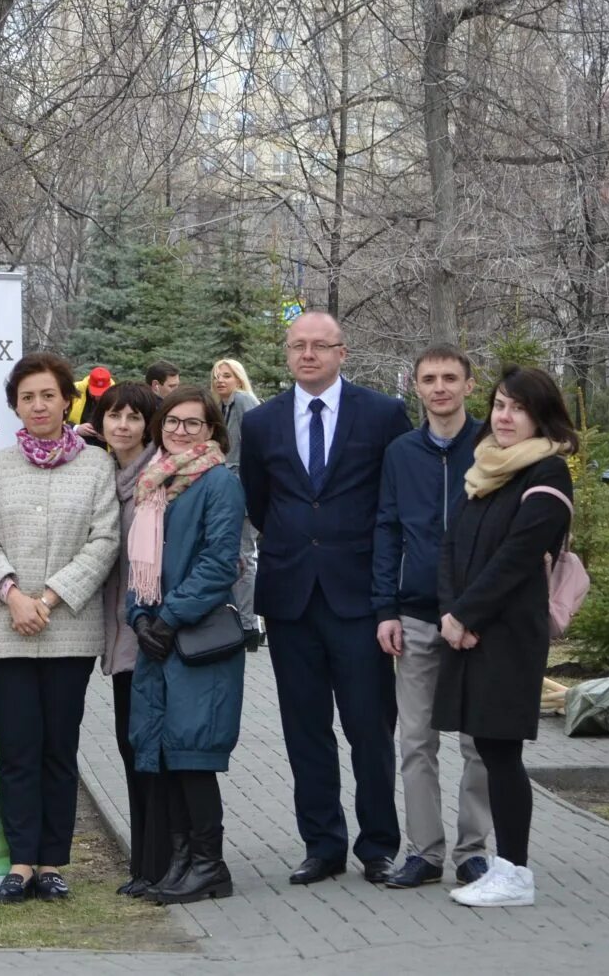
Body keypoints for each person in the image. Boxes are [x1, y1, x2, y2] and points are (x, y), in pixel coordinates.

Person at [239, 312, 411, 885]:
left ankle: (379, 846)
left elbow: (395, 503)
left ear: (342, 352)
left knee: (369, 726)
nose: (307, 355)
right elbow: (259, 503)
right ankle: (322, 844)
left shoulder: (382, 414)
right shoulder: (262, 423)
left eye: (320, 346)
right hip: (291, 599)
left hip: (360, 598)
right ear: (287, 354)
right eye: (298, 346)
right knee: (305, 728)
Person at [0, 353, 120, 903]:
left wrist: (48, 599)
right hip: (10, 626)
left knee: (60, 747)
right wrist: (13, 595)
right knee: (18, 747)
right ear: (16, 405)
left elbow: (104, 541)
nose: (38, 406)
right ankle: (22, 861)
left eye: (48, 396)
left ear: (66, 400)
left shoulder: (96, 466)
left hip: (67, 627)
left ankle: (54, 861)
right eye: (27, 397)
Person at [437, 367, 576, 907]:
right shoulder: (486, 471)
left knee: (502, 750)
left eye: (517, 407)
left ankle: (515, 871)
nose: (504, 416)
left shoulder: (547, 472)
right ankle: (504, 866)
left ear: (539, 415)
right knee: (489, 746)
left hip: (509, 635)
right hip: (469, 630)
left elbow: (516, 559)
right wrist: (451, 613)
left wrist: (466, 616)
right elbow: (451, 547)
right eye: (498, 405)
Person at [373, 345, 492, 890]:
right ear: (416, 387)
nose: (439, 387)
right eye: (429, 379)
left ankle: (474, 851)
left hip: (478, 619)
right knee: (416, 739)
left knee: (477, 740)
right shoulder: (400, 452)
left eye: (450, 378)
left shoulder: (493, 445)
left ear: (469, 385)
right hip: (417, 613)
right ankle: (425, 851)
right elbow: (388, 529)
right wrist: (386, 608)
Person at [126, 387, 246, 905]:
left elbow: (220, 564)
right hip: (158, 641)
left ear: (212, 432)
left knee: (194, 756)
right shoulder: (155, 484)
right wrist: (138, 616)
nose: (180, 431)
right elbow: (137, 565)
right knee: (168, 756)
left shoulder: (220, 483)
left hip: (194, 641)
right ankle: (177, 861)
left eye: (193, 424)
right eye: (172, 422)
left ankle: (208, 865)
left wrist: (168, 619)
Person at [91, 382, 164, 896]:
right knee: (127, 746)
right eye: (113, 416)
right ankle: (142, 860)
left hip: (151, 637)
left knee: (150, 752)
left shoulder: (159, 480)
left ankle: (157, 862)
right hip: (118, 638)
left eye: (134, 417)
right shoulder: (103, 476)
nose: (123, 426)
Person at [212, 358, 260, 623]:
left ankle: (249, 621)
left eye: (227, 376)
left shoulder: (242, 400)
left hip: (242, 488)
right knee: (233, 553)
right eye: (217, 376)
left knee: (245, 553)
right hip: (229, 485)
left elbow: (256, 444)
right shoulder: (222, 405)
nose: (220, 380)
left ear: (238, 379)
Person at [68, 364, 113, 440]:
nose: (97, 397)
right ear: (89, 384)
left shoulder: (117, 395)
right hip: (74, 441)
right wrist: (76, 428)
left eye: (102, 393)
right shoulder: (73, 391)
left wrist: (109, 437)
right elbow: (56, 420)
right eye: (94, 393)